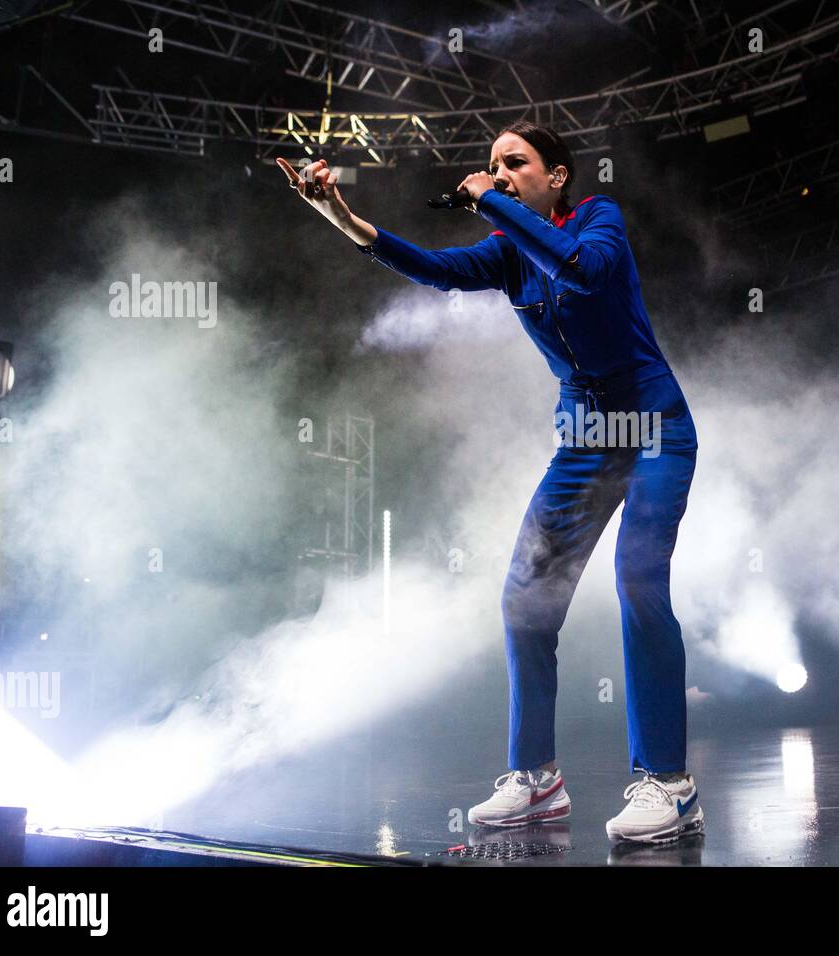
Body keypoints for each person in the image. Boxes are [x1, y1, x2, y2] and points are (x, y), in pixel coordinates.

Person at [276, 121, 703, 843]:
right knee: (525, 599)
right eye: (491, 166)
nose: (499, 172)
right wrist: (340, 217)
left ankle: (667, 782)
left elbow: (583, 271)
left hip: (654, 426)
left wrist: (490, 201)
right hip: (586, 439)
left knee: (638, 579)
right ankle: (536, 779)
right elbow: (436, 269)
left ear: (556, 176)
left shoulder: (598, 219)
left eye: (516, 162)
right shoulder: (508, 254)